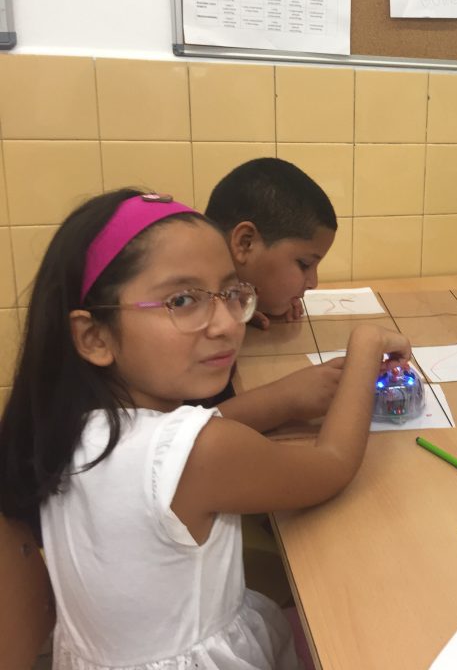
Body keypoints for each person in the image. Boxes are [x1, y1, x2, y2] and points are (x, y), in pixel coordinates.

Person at [0, 190, 413, 667]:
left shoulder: (66, 423)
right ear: (95, 336)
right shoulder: (204, 453)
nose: (226, 324)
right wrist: (366, 345)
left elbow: (176, 447)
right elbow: (332, 464)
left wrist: (283, 398)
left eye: (231, 294)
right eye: (182, 300)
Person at [205, 157, 336, 329]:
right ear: (245, 243)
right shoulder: (174, 289)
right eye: (304, 264)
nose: (313, 283)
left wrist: (239, 304)